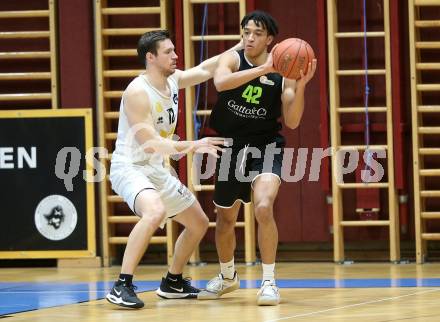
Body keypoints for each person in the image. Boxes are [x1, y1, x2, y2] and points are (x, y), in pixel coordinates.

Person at [106, 30, 241, 309]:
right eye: (168, 52)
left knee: (199, 223)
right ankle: (122, 285)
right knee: (153, 211)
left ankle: (172, 282)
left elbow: (205, 69)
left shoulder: (173, 81)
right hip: (130, 167)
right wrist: (194, 145)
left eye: (174, 50)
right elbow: (151, 144)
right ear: (150, 57)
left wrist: (238, 49)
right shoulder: (137, 92)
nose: (175, 55)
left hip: (156, 168)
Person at [198, 11, 317, 305]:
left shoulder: (285, 71)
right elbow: (221, 83)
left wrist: (299, 87)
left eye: (257, 33)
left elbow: (291, 120)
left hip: (265, 145)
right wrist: (264, 68)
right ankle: (228, 277)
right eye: (246, 32)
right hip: (230, 145)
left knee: (264, 206)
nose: (249, 38)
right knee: (225, 218)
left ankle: (268, 281)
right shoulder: (232, 58)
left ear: (270, 39)